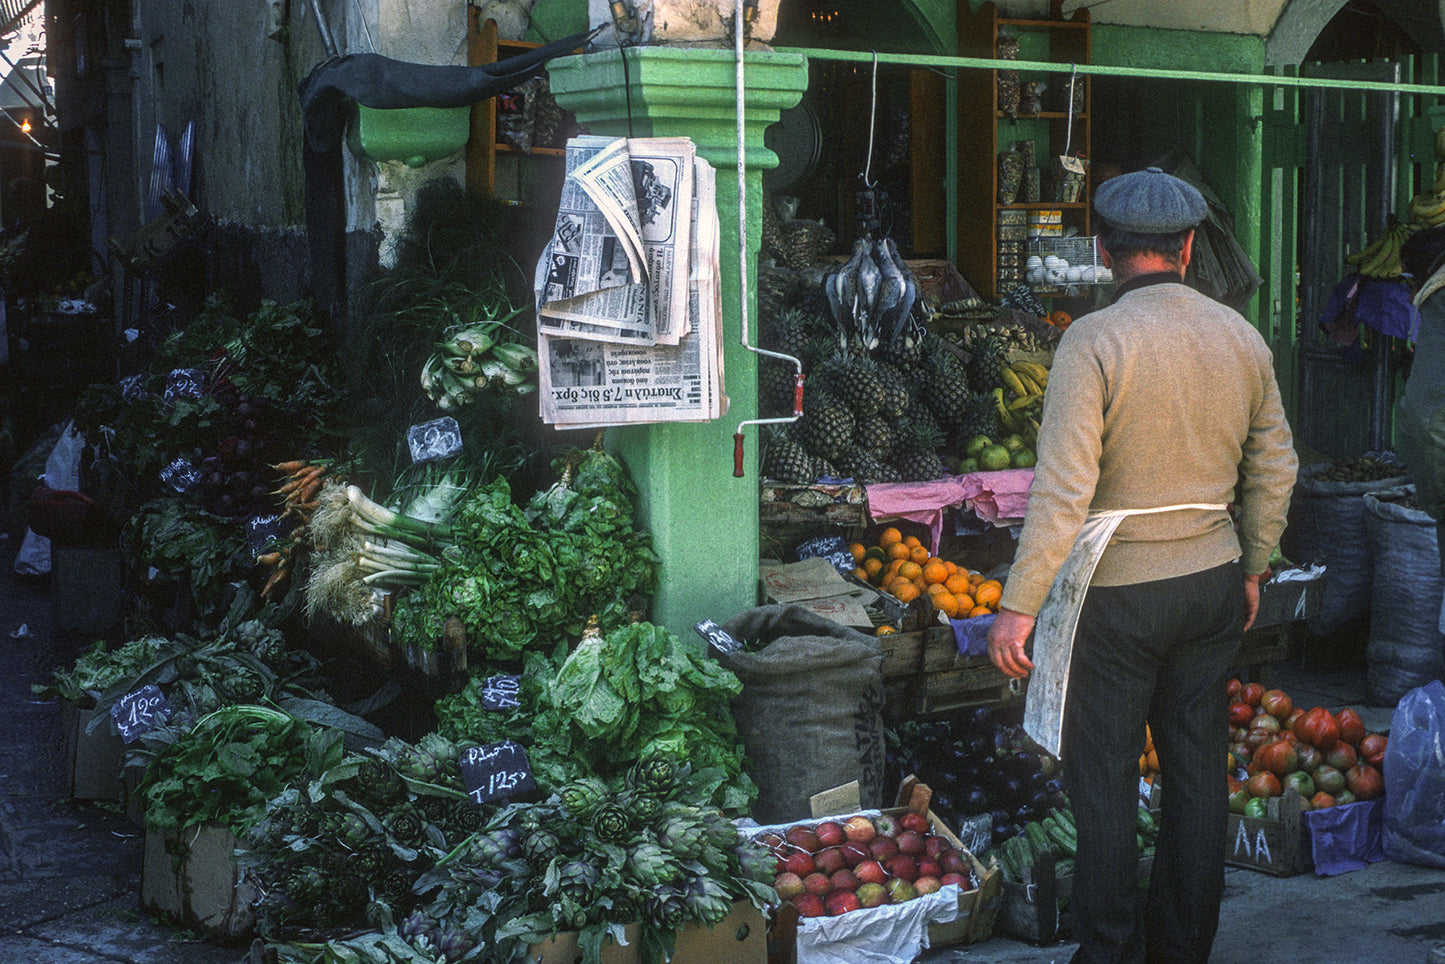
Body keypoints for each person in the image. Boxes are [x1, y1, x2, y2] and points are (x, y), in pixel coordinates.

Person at [986, 167, 1298, 964]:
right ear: (1189, 248)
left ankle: (1110, 950)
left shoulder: (1092, 340)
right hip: (1212, 582)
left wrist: (1018, 604)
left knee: (1105, 780)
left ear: (1103, 251)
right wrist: (1254, 564)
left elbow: (1062, 489)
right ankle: (1182, 948)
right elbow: (1274, 467)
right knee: (1197, 772)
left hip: (1119, 596)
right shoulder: (1240, 337)